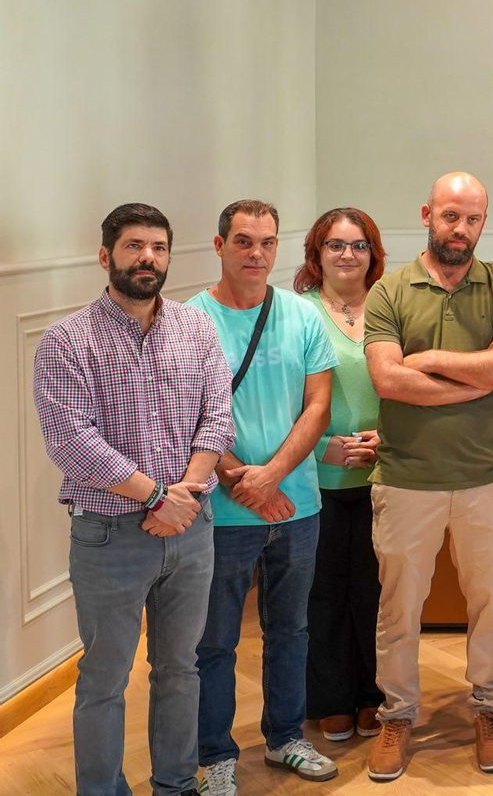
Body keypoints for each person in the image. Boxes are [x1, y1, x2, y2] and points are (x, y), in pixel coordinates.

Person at [34, 204, 235, 796]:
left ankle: (175, 784)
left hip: (191, 528)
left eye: (158, 247)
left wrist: (186, 496)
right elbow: (72, 441)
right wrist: (156, 497)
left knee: (180, 669)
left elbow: (216, 420)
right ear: (106, 257)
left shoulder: (196, 329)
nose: (147, 257)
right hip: (108, 536)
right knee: (104, 677)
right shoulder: (68, 340)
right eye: (133, 246)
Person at [362, 173, 493, 781]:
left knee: (491, 604)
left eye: (474, 219)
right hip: (407, 478)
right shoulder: (389, 291)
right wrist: (478, 376)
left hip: (487, 476)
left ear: (485, 223)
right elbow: (388, 381)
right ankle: (398, 715)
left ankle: (489, 709)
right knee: (399, 608)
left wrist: (431, 361)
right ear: (428, 213)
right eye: (451, 216)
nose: (461, 229)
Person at [191, 200, 339, 795]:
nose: (257, 254)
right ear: (220, 244)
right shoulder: (189, 320)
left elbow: (319, 405)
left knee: (291, 630)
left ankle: (285, 738)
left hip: (297, 506)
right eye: (245, 242)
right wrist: (240, 482)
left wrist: (272, 475)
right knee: (215, 642)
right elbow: (188, 415)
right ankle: (214, 756)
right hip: (221, 513)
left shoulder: (303, 315)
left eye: (268, 243)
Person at [295, 208, 387, 742]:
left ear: (373, 253)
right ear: (317, 253)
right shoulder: (298, 311)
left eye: (358, 245)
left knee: (376, 594)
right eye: (335, 245)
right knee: (323, 594)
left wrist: (387, 439)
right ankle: (329, 698)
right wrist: (320, 447)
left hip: (384, 477)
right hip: (318, 481)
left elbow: (409, 383)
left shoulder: (390, 308)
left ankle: (374, 696)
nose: (347, 255)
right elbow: (283, 395)